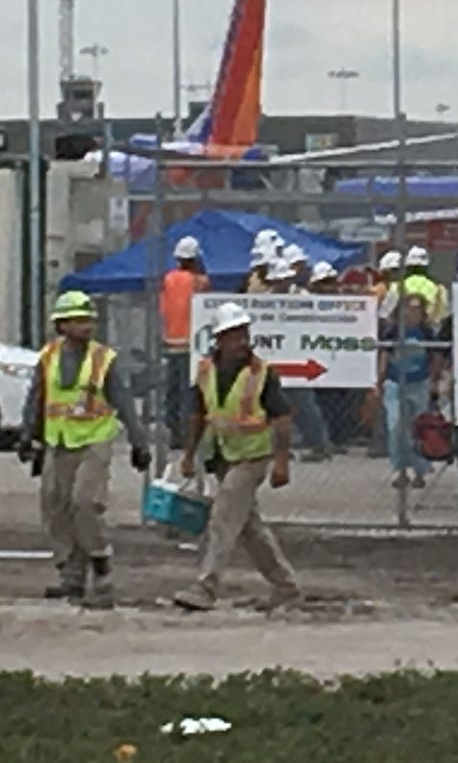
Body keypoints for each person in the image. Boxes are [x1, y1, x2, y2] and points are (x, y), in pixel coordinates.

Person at [16, 292, 150, 609]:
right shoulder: (48, 357)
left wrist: (139, 441)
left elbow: (124, 402)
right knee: (55, 507)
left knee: (85, 502)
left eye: (88, 319)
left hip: (94, 439)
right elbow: (36, 398)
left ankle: (101, 566)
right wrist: (27, 436)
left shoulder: (104, 359)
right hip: (58, 440)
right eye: (77, 320)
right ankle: (70, 575)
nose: (85, 326)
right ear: (61, 325)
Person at [173, 302, 300, 612]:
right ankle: (286, 586)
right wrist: (188, 455)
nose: (242, 341)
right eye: (234, 335)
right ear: (220, 339)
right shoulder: (206, 371)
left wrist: (281, 462)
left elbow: (282, 419)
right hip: (223, 456)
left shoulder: (261, 374)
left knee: (223, 516)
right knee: (249, 527)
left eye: (244, 334)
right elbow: (197, 415)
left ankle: (206, 586)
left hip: (253, 456)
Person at [375, 295, 438, 491]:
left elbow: (434, 356)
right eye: (408, 309)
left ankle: (420, 468)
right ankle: (399, 468)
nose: (412, 314)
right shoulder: (393, 332)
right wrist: (380, 381)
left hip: (419, 383)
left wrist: (434, 381)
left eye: (417, 310)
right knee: (396, 425)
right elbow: (384, 356)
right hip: (395, 384)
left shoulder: (426, 332)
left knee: (419, 427)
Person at [160, 236, 210, 449]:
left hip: (171, 341)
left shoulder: (168, 279)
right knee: (189, 392)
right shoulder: (200, 282)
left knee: (173, 392)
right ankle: (189, 434)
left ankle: (174, 433)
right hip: (192, 345)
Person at [399, 246, 449, 328]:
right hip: (428, 333)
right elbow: (442, 315)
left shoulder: (399, 285)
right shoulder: (438, 288)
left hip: (401, 333)